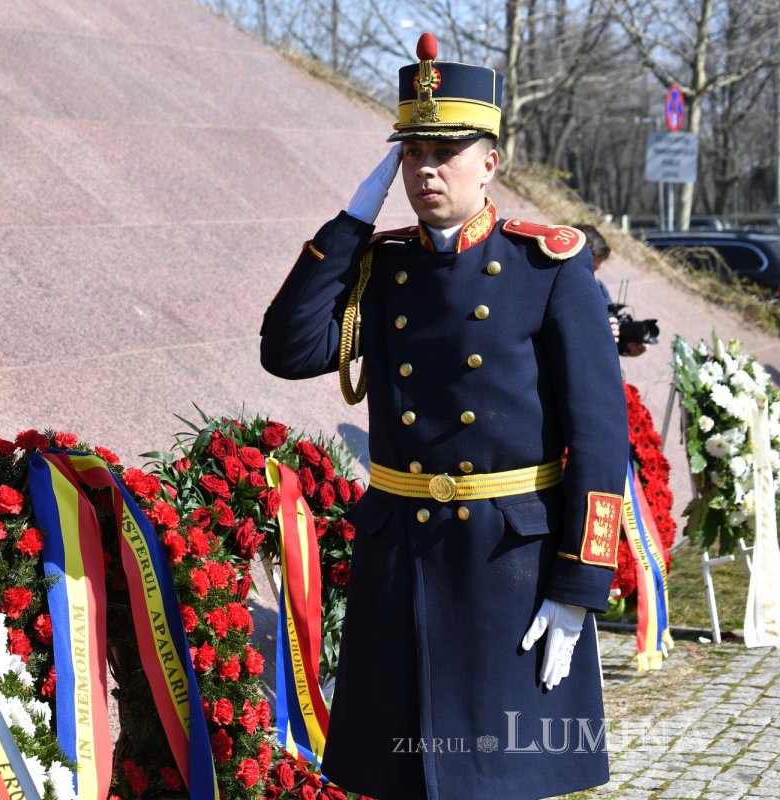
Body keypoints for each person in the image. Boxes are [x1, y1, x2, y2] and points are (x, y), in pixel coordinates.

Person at [260, 33, 628, 800]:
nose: (427, 169)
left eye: (447, 151)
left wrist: (579, 586)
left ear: (489, 161)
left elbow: (598, 438)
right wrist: (352, 219)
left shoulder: (547, 268)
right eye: (412, 153)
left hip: (509, 568)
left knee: (496, 777)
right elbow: (289, 349)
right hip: (404, 562)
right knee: (400, 778)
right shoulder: (386, 269)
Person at [574, 223, 648, 357]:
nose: (594, 276)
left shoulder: (599, 289)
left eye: (596, 269)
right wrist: (597, 330)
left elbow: (610, 330)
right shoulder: (553, 291)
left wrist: (626, 348)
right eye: (591, 269)